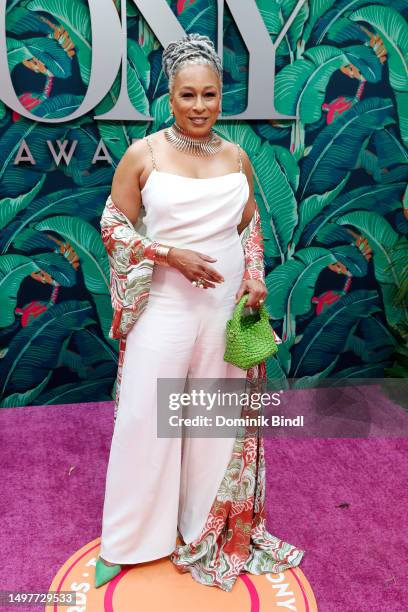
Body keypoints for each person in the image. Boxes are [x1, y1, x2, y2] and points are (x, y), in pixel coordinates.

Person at [96, 33, 304, 592]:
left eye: (209, 95)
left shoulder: (237, 156)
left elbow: (251, 225)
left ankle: (201, 529)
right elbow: (113, 226)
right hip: (165, 303)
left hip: (225, 305)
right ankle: (128, 540)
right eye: (187, 95)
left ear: (220, 97)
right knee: (146, 418)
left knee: (214, 420)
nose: (198, 107)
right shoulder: (144, 154)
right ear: (170, 94)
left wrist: (256, 277)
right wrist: (168, 253)